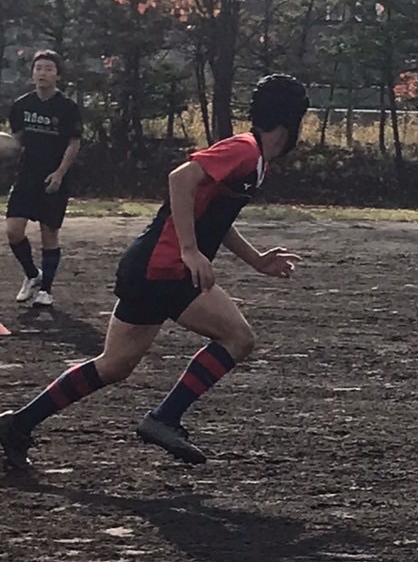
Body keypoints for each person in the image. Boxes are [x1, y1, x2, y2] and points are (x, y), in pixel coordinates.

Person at [0, 74, 310, 471]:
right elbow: (181, 178)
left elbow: (212, 214)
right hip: (164, 266)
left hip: (149, 265)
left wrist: (255, 260)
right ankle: (164, 418)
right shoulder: (246, 150)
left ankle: (17, 424)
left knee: (114, 364)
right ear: (289, 121)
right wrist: (189, 250)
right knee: (238, 337)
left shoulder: (255, 159)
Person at [6, 50, 82, 308]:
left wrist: (59, 174)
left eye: (49, 69)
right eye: (38, 68)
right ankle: (32, 275)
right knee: (13, 231)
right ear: (32, 73)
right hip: (26, 176)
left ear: (57, 75)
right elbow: (16, 142)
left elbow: (74, 143)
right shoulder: (22, 105)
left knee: (49, 234)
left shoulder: (68, 107)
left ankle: (45, 291)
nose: (43, 73)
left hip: (53, 177)